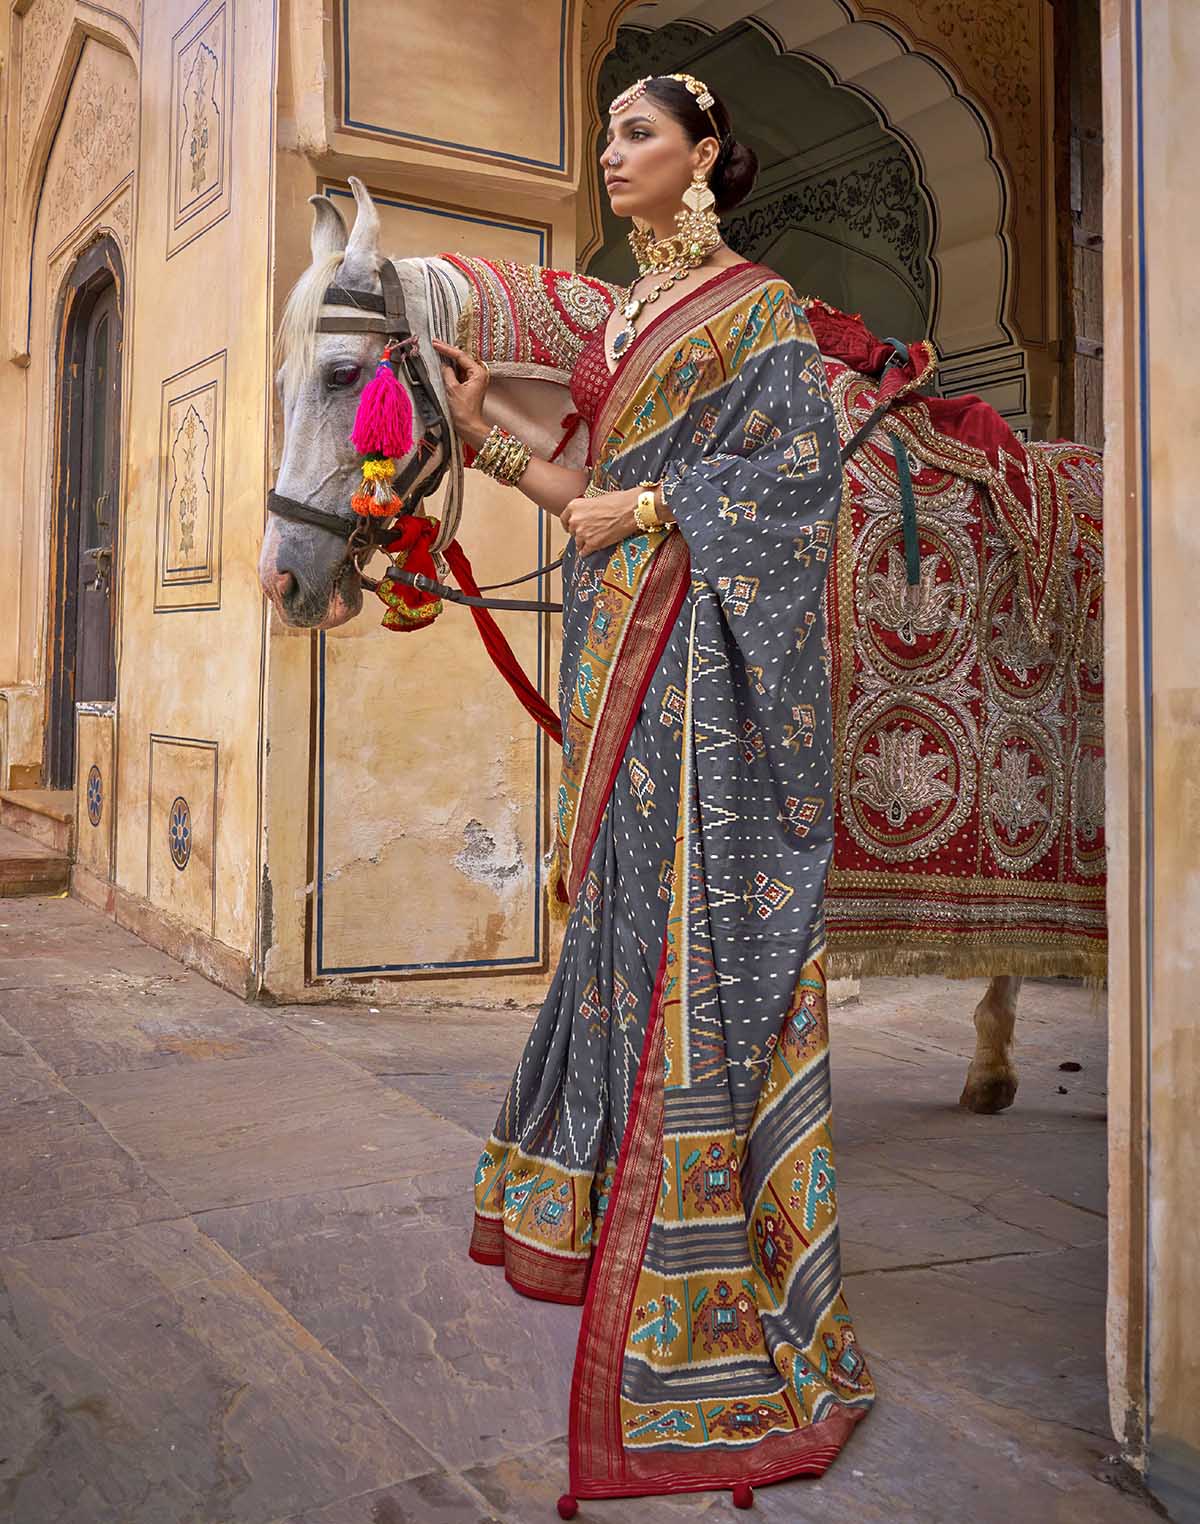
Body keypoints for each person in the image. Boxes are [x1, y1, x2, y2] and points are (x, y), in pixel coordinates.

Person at [432, 73, 874, 1514]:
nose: (611, 155)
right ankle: (586, 1207)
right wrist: (485, 430)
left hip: (706, 674)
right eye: (610, 133)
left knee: (682, 944)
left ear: (702, 162)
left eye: (639, 135)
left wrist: (674, 505)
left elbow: (801, 481)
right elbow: (592, 499)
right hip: (626, 645)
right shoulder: (621, 319)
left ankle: (703, 1266)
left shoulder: (760, 309)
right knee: (617, 937)